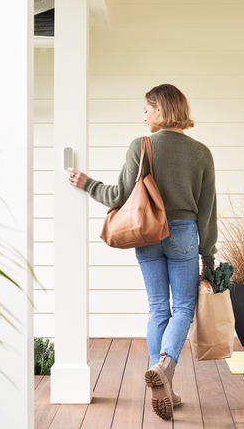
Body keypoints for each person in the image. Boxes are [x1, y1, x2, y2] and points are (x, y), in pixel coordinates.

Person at [67, 84, 217, 421]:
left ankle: (160, 378)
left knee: (158, 308)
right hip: (184, 234)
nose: (144, 114)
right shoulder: (202, 152)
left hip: (147, 231)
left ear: (162, 110)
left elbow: (119, 195)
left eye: (148, 108)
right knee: (183, 308)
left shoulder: (141, 145)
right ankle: (166, 367)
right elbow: (207, 208)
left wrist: (87, 183)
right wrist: (208, 252)